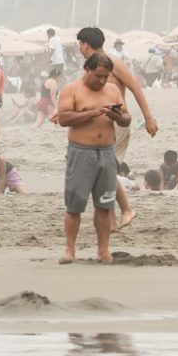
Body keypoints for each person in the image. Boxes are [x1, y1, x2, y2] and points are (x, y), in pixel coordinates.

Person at [74, 27, 158, 228]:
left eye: (79, 44)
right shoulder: (90, 66)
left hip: (117, 122)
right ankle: (111, 220)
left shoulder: (114, 63)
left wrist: (149, 118)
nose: (79, 48)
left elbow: (135, 88)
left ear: (84, 44)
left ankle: (126, 210)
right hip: (97, 123)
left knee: (105, 168)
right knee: (100, 170)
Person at [56, 53, 129, 264]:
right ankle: (70, 249)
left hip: (106, 151)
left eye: (105, 76)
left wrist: (118, 116)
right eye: (98, 76)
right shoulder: (72, 89)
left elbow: (127, 118)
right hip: (81, 151)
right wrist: (92, 113)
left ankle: (103, 250)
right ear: (87, 70)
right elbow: (63, 118)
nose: (102, 81)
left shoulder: (113, 90)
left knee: (105, 204)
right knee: (74, 204)